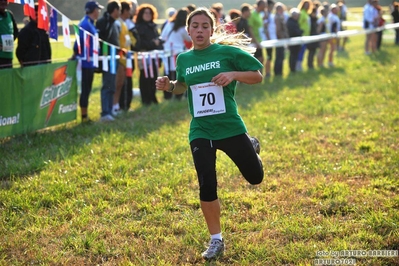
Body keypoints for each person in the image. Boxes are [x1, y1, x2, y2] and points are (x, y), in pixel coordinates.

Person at [155, 7, 264, 261]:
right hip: (201, 130)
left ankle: (250, 145)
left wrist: (233, 74)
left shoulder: (227, 53)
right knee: (207, 183)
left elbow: (257, 76)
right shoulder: (184, 59)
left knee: (255, 177)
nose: (200, 30)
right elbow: (182, 85)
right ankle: (216, 240)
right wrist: (169, 86)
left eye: (205, 26)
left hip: (230, 127)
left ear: (212, 30)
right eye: (196, 26)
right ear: (188, 30)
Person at [73, 1, 103, 123]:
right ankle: (84, 117)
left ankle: (85, 116)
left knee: (88, 89)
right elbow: (78, 43)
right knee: (85, 90)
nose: (99, 12)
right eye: (98, 9)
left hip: (90, 61)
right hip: (85, 62)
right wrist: (76, 53)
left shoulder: (90, 23)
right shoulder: (85, 24)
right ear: (93, 10)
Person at [96, 1, 121, 122]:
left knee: (112, 85)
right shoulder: (102, 22)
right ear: (115, 10)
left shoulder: (116, 23)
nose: (120, 13)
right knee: (107, 85)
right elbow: (100, 40)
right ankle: (105, 113)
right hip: (106, 59)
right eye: (119, 10)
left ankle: (110, 111)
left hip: (114, 58)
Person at [135, 4, 163, 106]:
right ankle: (145, 100)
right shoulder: (138, 27)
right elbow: (139, 43)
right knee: (145, 78)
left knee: (154, 77)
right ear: (141, 14)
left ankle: (153, 97)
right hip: (144, 56)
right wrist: (152, 43)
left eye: (149, 13)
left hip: (155, 57)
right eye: (145, 13)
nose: (148, 15)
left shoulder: (153, 26)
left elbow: (159, 41)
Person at [160, 7, 191, 100]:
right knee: (179, 74)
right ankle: (178, 95)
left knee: (168, 73)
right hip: (179, 53)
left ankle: (167, 95)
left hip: (168, 52)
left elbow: (163, 36)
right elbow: (189, 39)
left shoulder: (169, 24)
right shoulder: (183, 28)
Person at [119, 0, 141, 112]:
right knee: (123, 82)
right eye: (132, 8)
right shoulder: (122, 23)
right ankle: (123, 105)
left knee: (128, 80)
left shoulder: (128, 22)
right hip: (123, 57)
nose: (134, 10)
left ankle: (126, 105)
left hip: (129, 56)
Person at [112, 1, 132, 116]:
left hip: (125, 58)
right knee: (117, 83)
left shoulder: (124, 23)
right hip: (119, 57)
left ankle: (116, 106)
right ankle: (113, 106)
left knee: (121, 83)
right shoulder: (118, 23)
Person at [248, 0, 267, 71]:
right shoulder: (253, 14)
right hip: (254, 42)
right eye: (264, 5)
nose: (265, 7)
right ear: (260, 5)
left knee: (261, 58)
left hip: (259, 40)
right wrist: (255, 41)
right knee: (257, 59)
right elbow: (250, 29)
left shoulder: (259, 14)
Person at [0, 0, 18, 69]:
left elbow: (15, 32)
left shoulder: (9, 14)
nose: (3, 2)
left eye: (5, 0)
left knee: (8, 79)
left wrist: (7, 44)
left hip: (8, 56)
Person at [296, 0, 313, 71]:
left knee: (303, 51)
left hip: (307, 35)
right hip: (302, 36)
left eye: (308, 5)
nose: (306, 6)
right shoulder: (302, 13)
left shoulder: (306, 13)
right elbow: (299, 23)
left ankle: (300, 65)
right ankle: (298, 65)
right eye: (305, 5)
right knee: (300, 51)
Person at [274, 2, 289, 76]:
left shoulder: (280, 16)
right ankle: (278, 72)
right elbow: (278, 29)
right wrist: (282, 37)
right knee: (279, 56)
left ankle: (279, 71)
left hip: (281, 39)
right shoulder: (277, 17)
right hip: (280, 39)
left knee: (281, 56)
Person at [287, 8, 303, 73]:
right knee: (293, 55)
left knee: (294, 55)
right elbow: (294, 32)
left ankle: (293, 68)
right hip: (293, 42)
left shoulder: (294, 21)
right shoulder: (291, 22)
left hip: (296, 42)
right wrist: (300, 32)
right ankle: (292, 68)